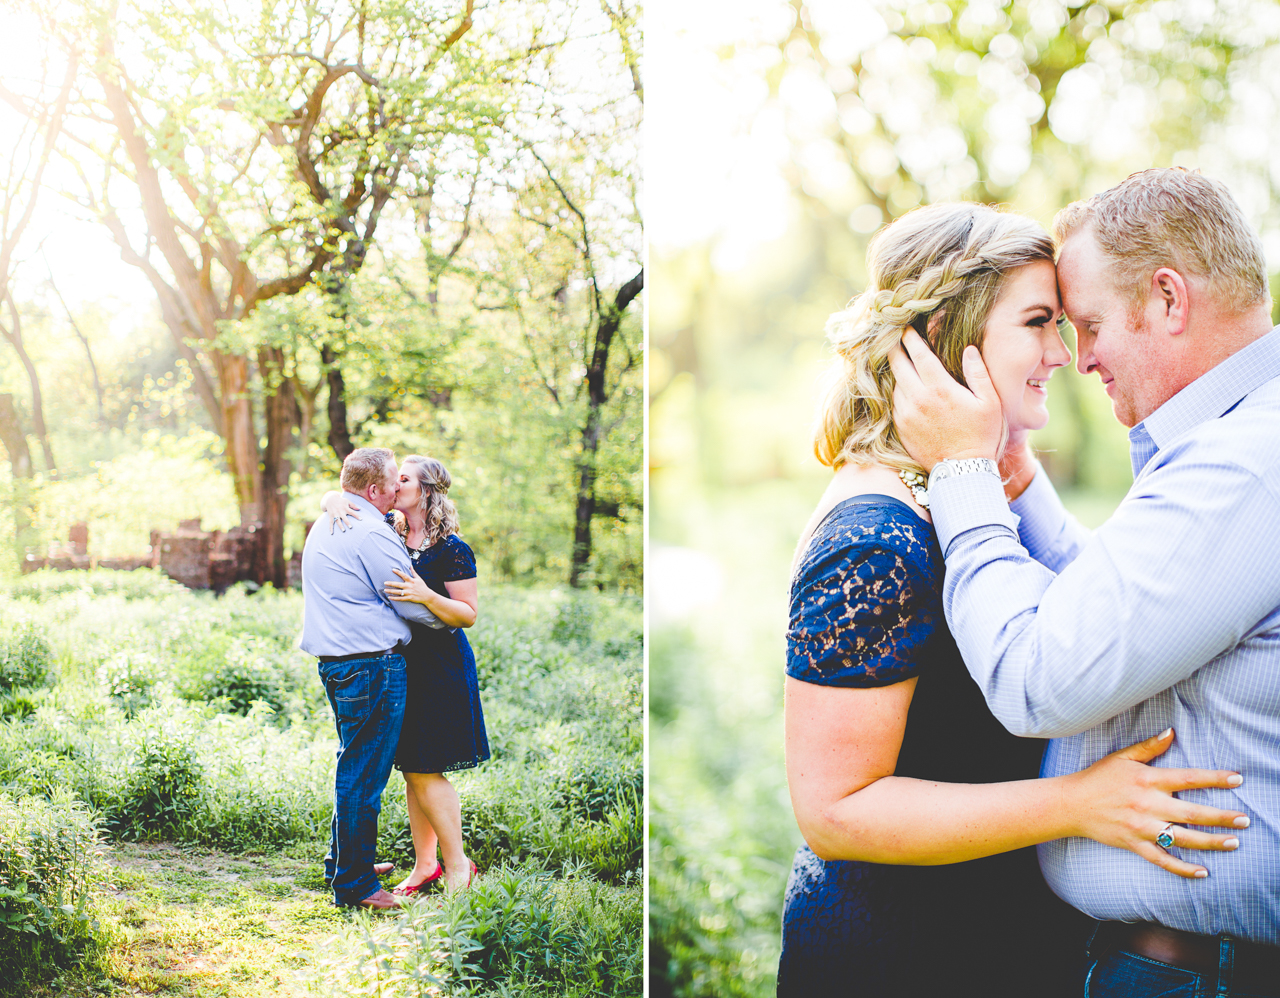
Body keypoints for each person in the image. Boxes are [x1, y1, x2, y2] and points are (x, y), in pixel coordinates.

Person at [780, 200, 1249, 997]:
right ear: (947, 341)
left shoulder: (965, 499)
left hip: (999, 935)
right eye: (1038, 322)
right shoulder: (874, 535)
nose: (1063, 354)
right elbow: (834, 809)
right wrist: (1075, 804)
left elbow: (1093, 614)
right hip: (907, 954)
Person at [888, 168, 1280, 997]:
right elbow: (1132, 611)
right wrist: (1019, 487)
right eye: (1054, 326)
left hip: (1198, 977)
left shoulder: (1242, 468)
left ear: (1168, 299)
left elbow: (1038, 677)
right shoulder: (1243, 442)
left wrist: (961, 475)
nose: (1079, 356)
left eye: (1088, 322)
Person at [323, 455, 488, 895]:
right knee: (411, 768)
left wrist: (425, 594)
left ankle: (458, 866)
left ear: (426, 491)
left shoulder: (452, 548)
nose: (396, 484)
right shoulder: (390, 532)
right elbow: (350, 496)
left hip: (440, 667)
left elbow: (467, 615)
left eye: (405, 479)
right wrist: (330, 500)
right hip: (398, 665)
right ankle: (424, 865)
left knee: (427, 770)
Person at [299, 446, 447, 910]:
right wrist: (448, 620)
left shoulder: (328, 521)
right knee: (364, 775)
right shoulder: (368, 532)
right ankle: (357, 886)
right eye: (391, 482)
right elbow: (408, 602)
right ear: (373, 490)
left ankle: (345, 863)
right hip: (371, 667)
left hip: (340, 665)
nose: (396, 488)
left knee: (353, 765)